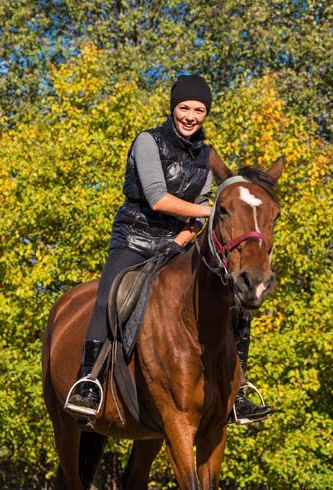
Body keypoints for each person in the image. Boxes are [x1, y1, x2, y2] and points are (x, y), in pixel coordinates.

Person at [65, 74, 273, 424]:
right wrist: (212, 211)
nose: (191, 116)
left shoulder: (207, 156)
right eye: (184, 108)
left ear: (206, 114)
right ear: (173, 108)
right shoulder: (148, 142)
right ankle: (90, 383)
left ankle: (237, 392)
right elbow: (158, 199)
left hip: (177, 245)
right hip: (134, 238)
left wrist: (191, 232)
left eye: (199, 109)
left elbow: (216, 199)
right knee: (108, 296)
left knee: (233, 302)